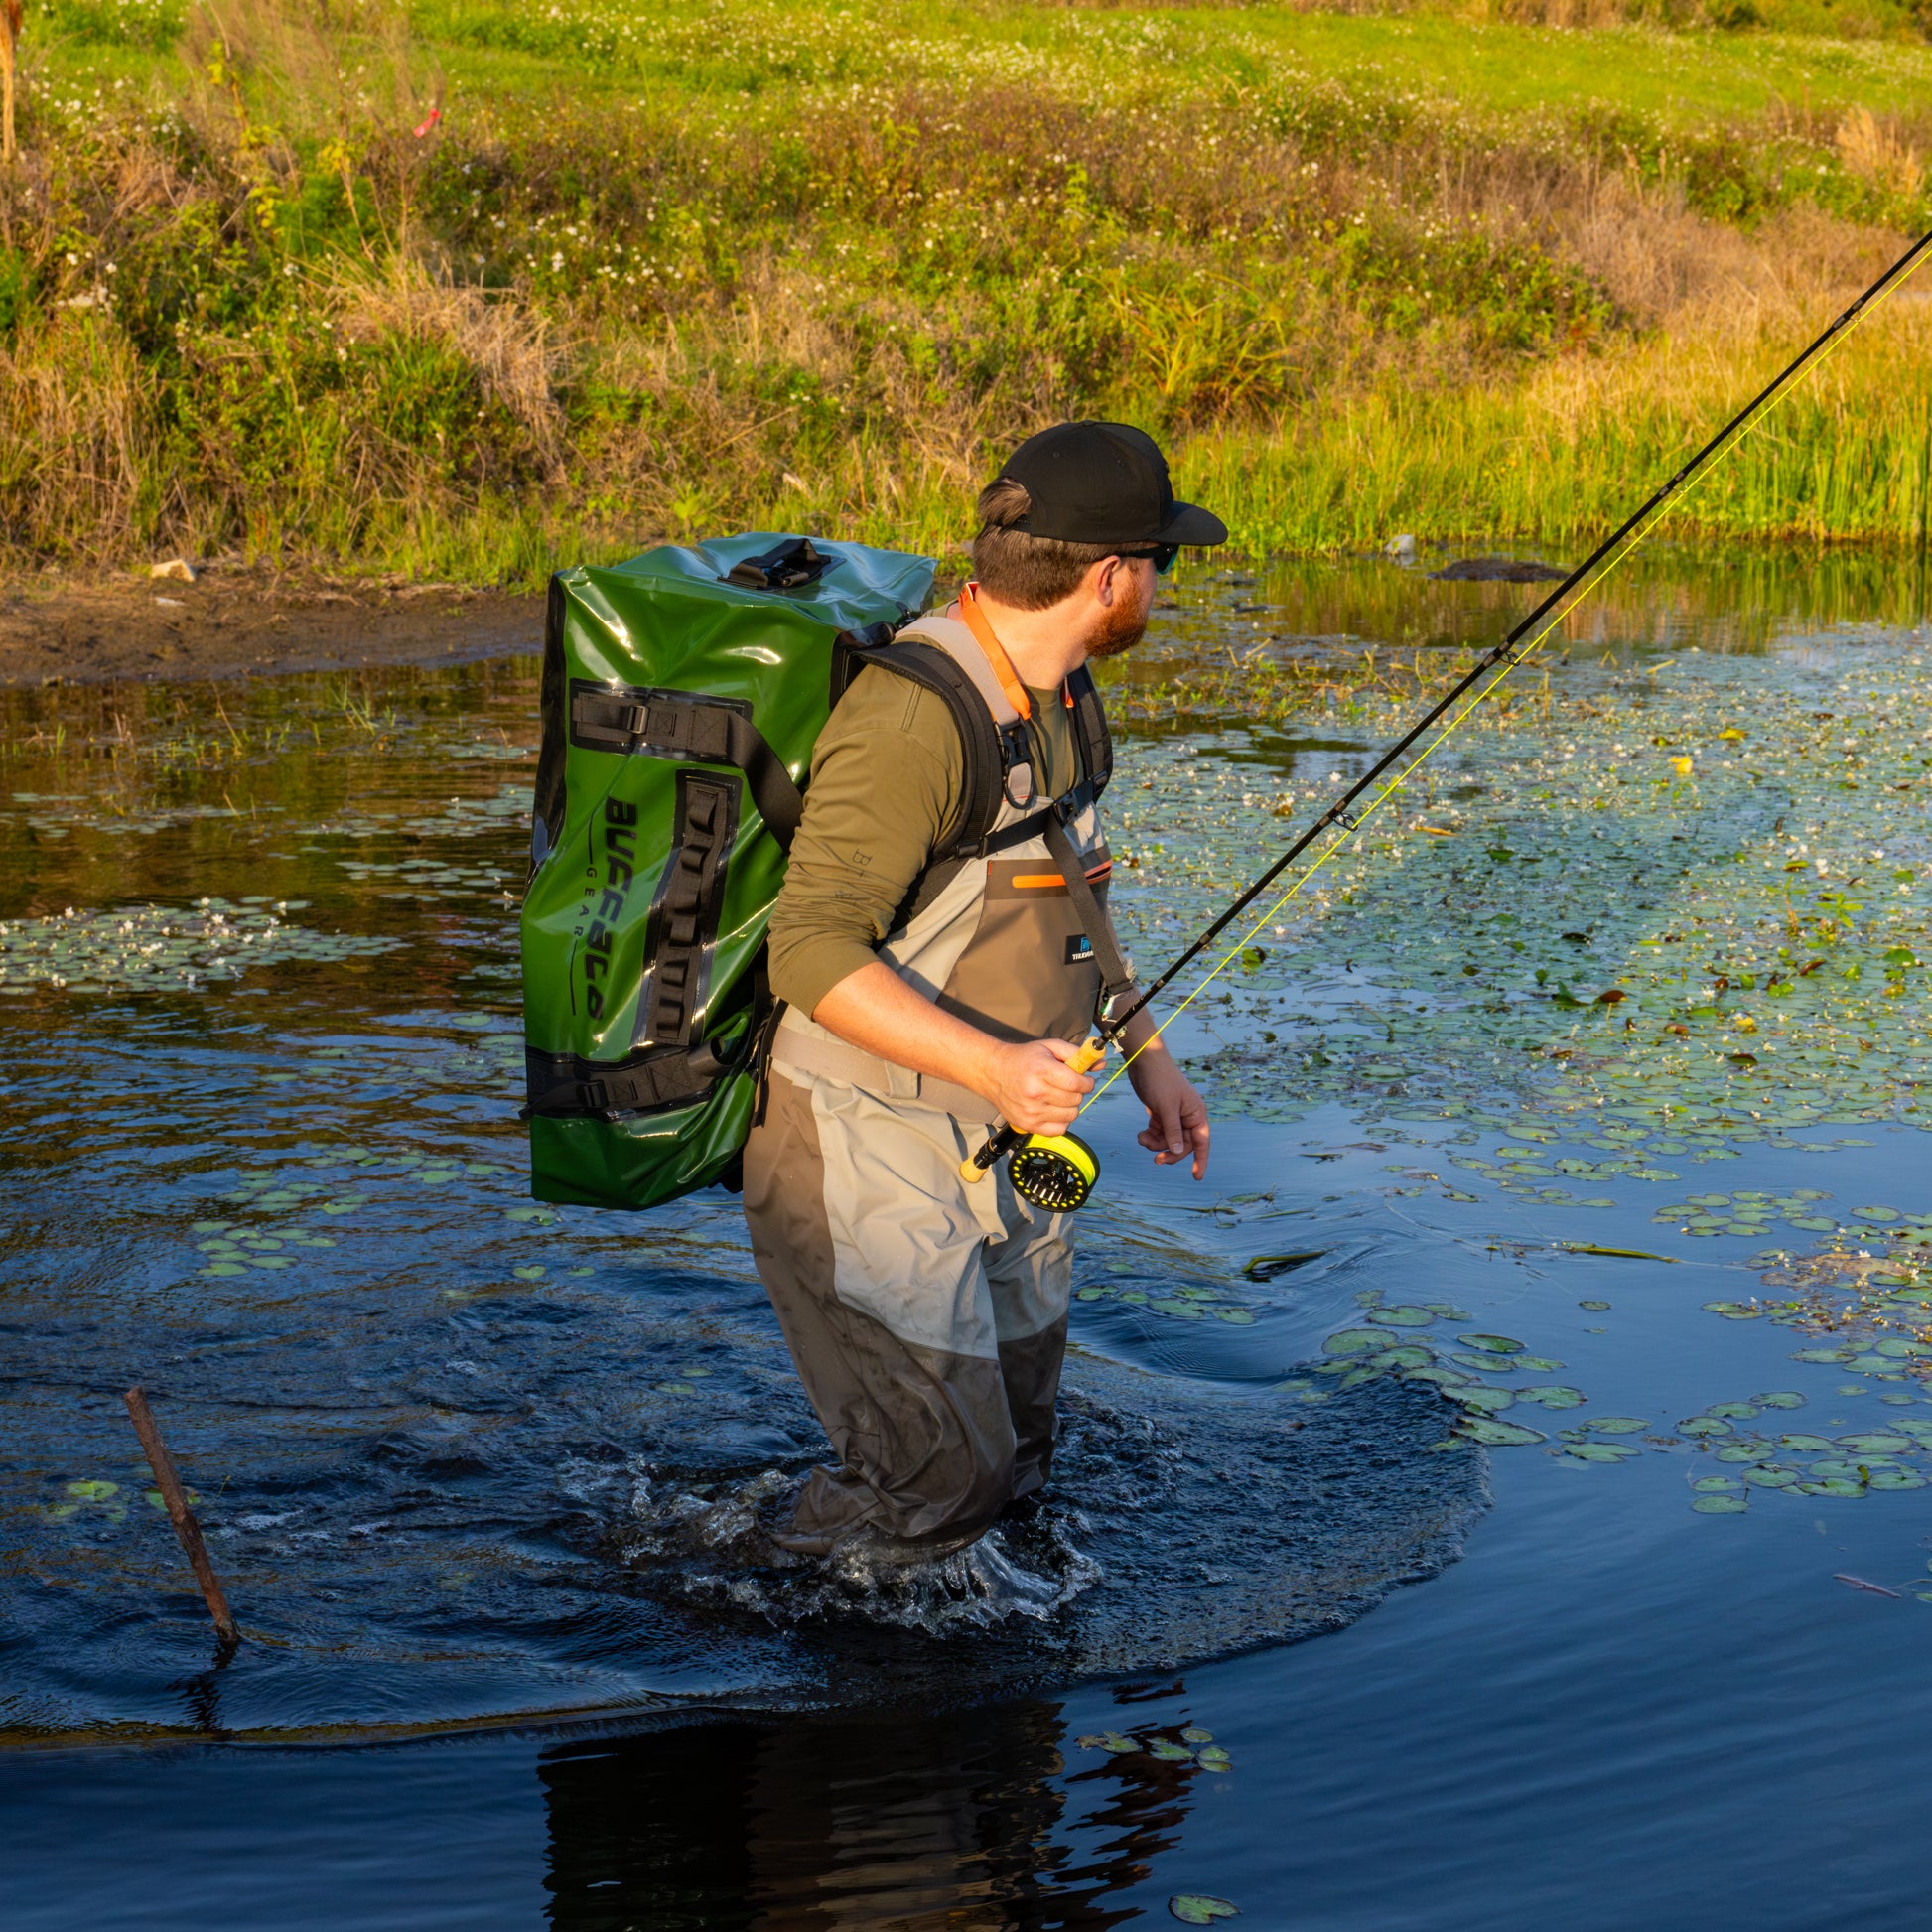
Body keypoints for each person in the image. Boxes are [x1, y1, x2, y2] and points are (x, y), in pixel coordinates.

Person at [744, 421, 1222, 1560]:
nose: (1160, 581)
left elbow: (1072, 891)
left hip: (1001, 1135)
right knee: (938, 1483)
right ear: (1107, 576)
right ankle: (723, 1587)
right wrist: (998, 1067)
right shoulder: (915, 715)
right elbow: (806, 950)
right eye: (1159, 560)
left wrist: (1144, 1048)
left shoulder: (1063, 690)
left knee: (1018, 1458)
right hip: (865, 1140)